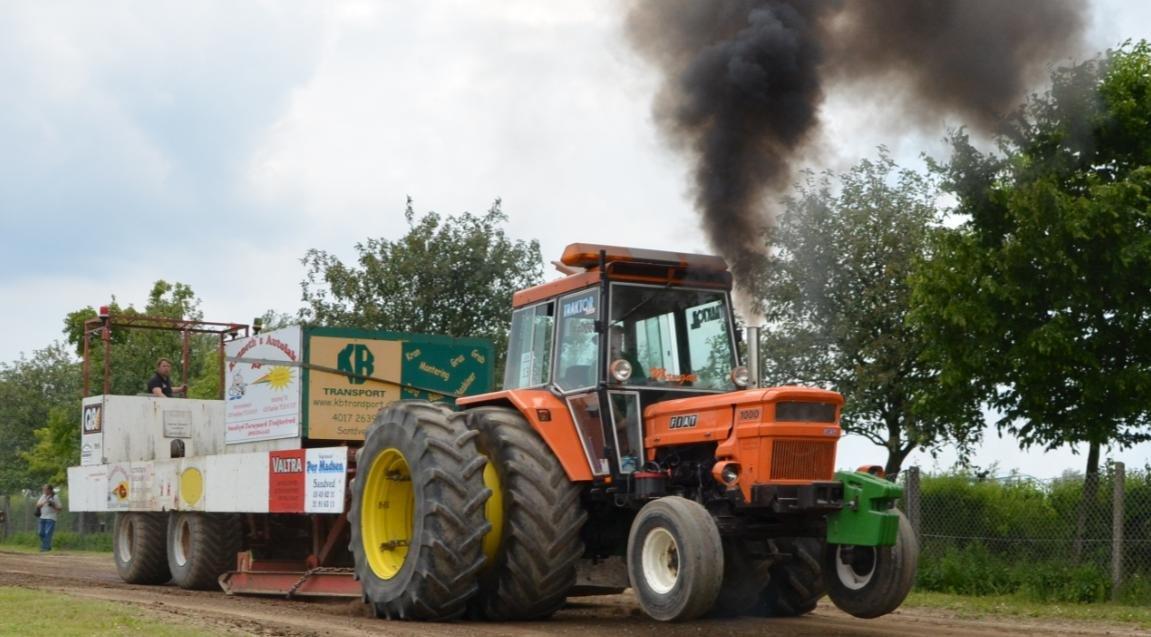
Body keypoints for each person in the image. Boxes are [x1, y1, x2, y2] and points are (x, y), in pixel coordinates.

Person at [36, 484, 61, 553]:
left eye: (45, 489)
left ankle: (44, 548)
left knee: (48, 533)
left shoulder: (55, 497)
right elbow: (37, 505)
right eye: (43, 489)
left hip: (51, 517)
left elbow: (59, 509)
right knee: (40, 533)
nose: (44, 490)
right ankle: (48, 546)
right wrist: (44, 502)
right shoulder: (43, 496)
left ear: (50, 490)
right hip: (42, 517)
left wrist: (53, 504)